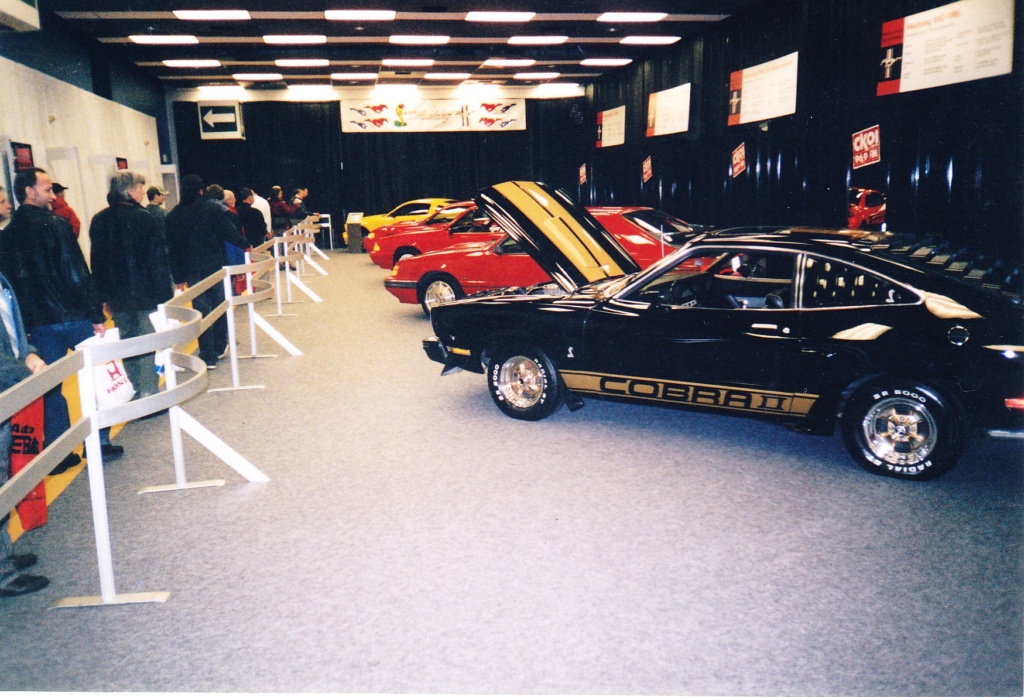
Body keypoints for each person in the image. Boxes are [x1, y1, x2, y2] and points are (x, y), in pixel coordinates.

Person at [0, 168, 121, 471]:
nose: (53, 196)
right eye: (46, 189)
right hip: (74, 315)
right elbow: (77, 272)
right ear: (28, 191)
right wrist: (96, 314)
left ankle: (60, 452)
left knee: (50, 387)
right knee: (94, 379)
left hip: (38, 323)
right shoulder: (58, 226)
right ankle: (99, 442)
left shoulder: (7, 236)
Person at [89, 171, 174, 402]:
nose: (142, 192)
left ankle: (136, 388)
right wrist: (165, 294)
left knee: (126, 342)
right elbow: (158, 259)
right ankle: (149, 390)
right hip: (146, 293)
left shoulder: (99, 220)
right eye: (139, 187)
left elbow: (97, 262)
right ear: (129, 191)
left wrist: (101, 296)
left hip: (117, 295)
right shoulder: (146, 218)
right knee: (146, 340)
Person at [164, 174, 251, 369]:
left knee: (201, 312)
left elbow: (173, 249)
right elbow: (228, 232)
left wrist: (178, 277)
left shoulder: (174, 215)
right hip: (215, 267)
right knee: (219, 308)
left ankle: (207, 354)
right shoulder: (211, 209)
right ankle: (220, 347)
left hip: (193, 271)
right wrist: (245, 245)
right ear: (201, 191)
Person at [0, 264, 49, 598]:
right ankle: (2, 575)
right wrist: (23, 371)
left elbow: (10, 329)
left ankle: (4, 556)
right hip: (7, 381)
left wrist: (28, 353)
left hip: (7, 386)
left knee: (3, 476)